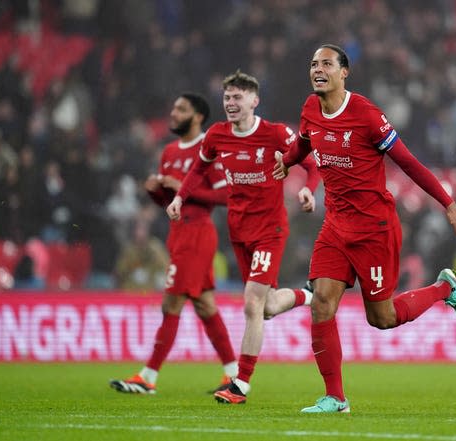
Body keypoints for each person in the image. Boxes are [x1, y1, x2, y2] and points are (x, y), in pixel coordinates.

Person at [273, 44, 456, 413]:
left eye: (327, 63)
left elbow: (409, 163)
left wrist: (448, 203)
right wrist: (286, 163)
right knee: (321, 304)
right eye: (314, 64)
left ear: (344, 72)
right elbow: (303, 145)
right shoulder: (309, 109)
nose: (318, 69)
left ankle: (445, 287)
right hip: (335, 225)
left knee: (382, 318)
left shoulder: (366, 115)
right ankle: (335, 397)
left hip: (374, 228)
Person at [167, 70, 320, 404]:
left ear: (255, 100)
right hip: (238, 232)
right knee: (264, 308)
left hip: (270, 230)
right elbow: (199, 170)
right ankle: (309, 295)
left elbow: (312, 165)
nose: (231, 104)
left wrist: (308, 192)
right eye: (227, 98)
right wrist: (179, 198)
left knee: (251, 302)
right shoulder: (217, 135)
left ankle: (241, 384)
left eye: (237, 98)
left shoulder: (276, 133)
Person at [110, 93, 237, 394]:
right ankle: (234, 374)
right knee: (205, 306)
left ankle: (147, 378)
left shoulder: (209, 147)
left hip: (198, 233)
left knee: (171, 303)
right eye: (174, 107)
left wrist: (184, 189)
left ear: (197, 117)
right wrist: (156, 191)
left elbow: (224, 196)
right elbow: (169, 203)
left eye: (181, 109)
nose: (173, 113)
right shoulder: (168, 151)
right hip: (178, 231)